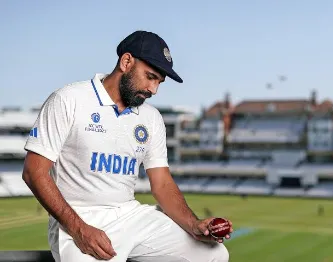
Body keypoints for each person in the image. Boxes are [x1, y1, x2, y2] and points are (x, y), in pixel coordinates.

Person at [22, 30, 232, 262]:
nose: (154, 90)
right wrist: (79, 228)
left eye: (159, 82)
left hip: (131, 214)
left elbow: (162, 184)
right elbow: (34, 172)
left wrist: (193, 224)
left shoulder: (151, 118)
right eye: (150, 77)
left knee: (214, 254)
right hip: (80, 217)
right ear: (126, 61)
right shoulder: (68, 99)